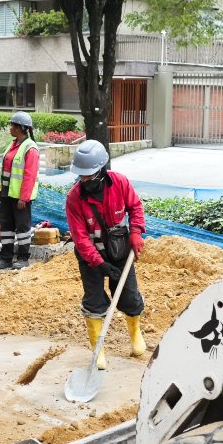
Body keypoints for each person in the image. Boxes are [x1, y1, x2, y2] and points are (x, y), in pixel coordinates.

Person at [64, 140, 146, 369]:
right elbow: (80, 238)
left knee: (129, 296)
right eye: (81, 176)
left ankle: (135, 332)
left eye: (88, 176)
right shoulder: (74, 198)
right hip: (90, 256)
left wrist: (136, 232)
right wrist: (99, 264)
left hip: (120, 250)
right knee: (94, 300)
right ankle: (97, 350)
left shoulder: (119, 183)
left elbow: (136, 207)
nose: (84, 180)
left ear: (101, 169)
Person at [0, 110, 40, 269]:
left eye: (12, 125)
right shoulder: (13, 144)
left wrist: (24, 198)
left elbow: (30, 175)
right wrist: (0, 188)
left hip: (20, 198)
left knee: (22, 228)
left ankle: (23, 258)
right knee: (6, 227)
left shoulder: (30, 148)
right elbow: (6, 170)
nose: (10, 127)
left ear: (21, 128)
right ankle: (5, 258)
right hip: (7, 195)